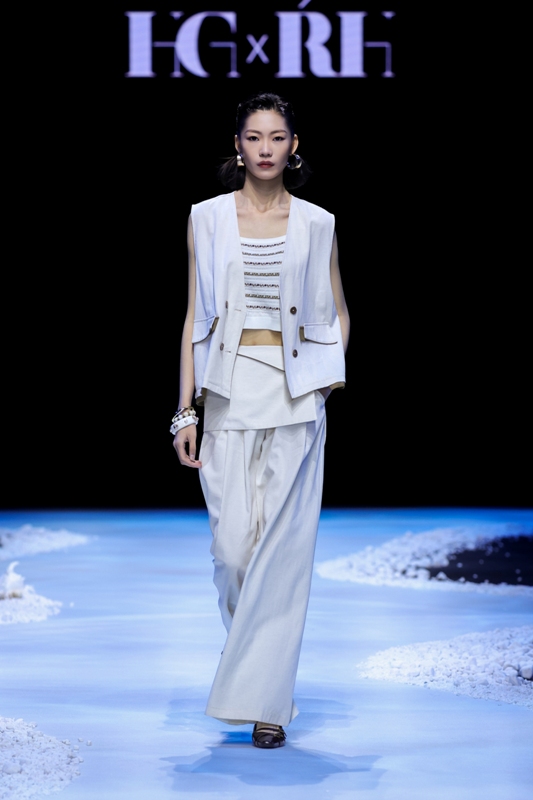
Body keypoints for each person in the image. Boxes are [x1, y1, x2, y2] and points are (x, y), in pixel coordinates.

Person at [172, 92, 349, 749]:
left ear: (293, 145)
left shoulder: (318, 223)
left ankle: (267, 703)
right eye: (254, 137)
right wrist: (184, 410)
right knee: (231, 553)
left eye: (277, 137)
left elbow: (337, 309)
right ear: (238, 145)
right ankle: (255, 669)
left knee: (282, 553)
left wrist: (328, 378)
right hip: (225, 392)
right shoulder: (207, 218)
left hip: (295, 396)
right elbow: (194, 318)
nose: (266, 148)